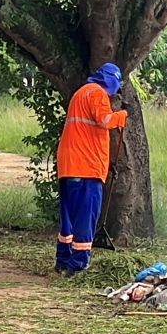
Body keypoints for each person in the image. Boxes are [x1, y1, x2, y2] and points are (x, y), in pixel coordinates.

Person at [54, 63, 131, 277]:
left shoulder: (80, 93)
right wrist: (123, 115)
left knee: (69, 216)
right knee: (86, 216)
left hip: (69, 165)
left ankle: (62, 259)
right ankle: (78, 263)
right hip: (87, 166)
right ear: (112, 81)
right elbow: (105, 120)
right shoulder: (97, 94)